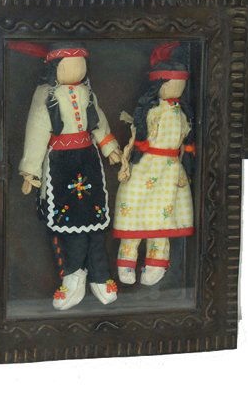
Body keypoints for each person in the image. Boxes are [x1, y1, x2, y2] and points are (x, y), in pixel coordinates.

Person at [10, 41, 122, 310]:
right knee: (67, 221)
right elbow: (37, 130)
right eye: (69, 65)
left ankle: (99, 274)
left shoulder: (87, 93)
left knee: (95, 219)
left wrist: (109, 148)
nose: (76, 70)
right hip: (60, 165)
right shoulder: (46, 95)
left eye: (80, 64)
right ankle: (74, 275)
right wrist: (31, 171)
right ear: (55, 67)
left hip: (88, 161)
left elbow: (98, 121)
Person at [113, 42, 195, 286]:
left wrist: (186, 156)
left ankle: (156, 263)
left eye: (180, 84)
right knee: (134, 212)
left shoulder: (182, 113)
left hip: (171, 170)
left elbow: (184, 140)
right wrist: (129, 156)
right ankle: (126, 261)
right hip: (146, 166)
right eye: (172, 83)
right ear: (160, 84)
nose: (176, 88)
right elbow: (138, 136)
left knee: (163, 221)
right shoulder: (153, 111)